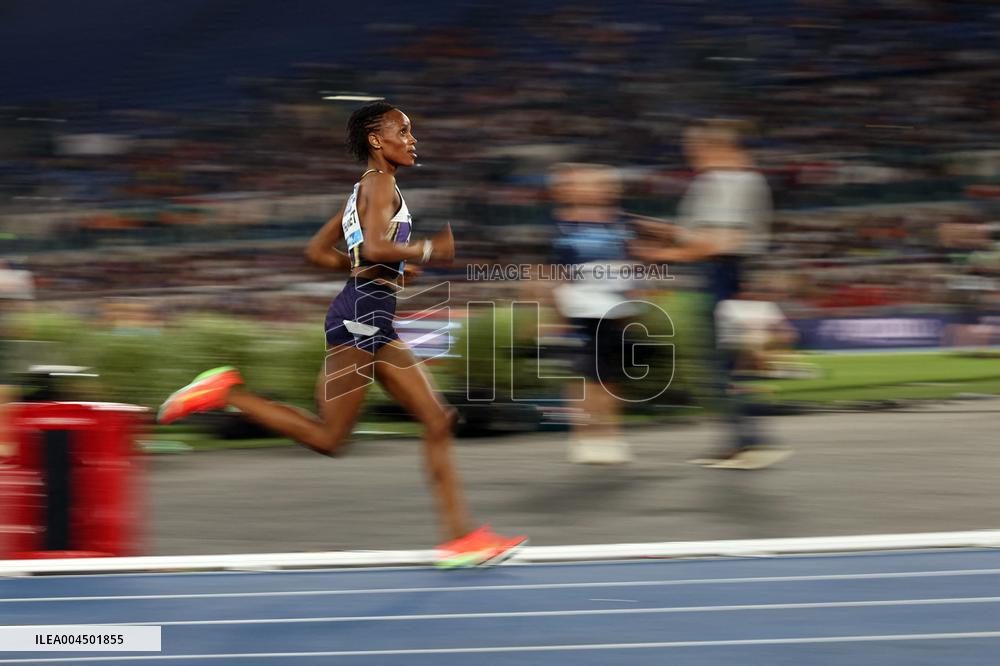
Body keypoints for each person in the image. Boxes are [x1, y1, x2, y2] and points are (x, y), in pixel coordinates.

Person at [158, 101, 527, 567]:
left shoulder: (361, 190)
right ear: (376, 140)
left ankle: (460, 539)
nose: (413, 140)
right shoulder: (380, 184)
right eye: (403, 131)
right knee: (329, 438)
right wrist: (429, 248)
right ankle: (225, 393)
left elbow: (318, 252)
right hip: (359, 318)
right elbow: (374, 246)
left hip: (373, 316)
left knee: (437, 419)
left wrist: (384, 269)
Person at [631, 119, 791, 470]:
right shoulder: (732, 180)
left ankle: (752, 442)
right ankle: (739, 441)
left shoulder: (729, 181)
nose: (691, 156)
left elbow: (720, 242)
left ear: (715, 147)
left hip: (724, 275)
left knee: (717, 366)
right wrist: (666, 231)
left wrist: (660, 253)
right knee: (722, 365)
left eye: (694, 149)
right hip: (724, 274)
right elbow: (707, 235)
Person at [549, 163, 637, 464]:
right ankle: (584, 435)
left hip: (614, 308)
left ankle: (610, 434)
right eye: (590, 184)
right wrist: (555, 311)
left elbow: (628, 261)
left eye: (603, 185)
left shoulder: (618, 222)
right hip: (581, 308)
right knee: (587, 373)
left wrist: (634, 291)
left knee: (610, 375)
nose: (600, 190)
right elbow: (554, 270)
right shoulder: (564, 224)